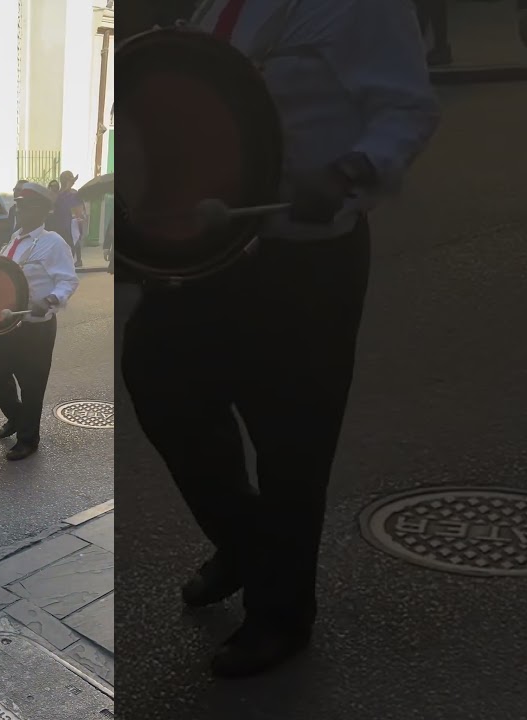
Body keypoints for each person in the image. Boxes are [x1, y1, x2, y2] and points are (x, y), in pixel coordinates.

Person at [121, 0, 439, 678]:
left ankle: (282, 615)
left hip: (306, 262)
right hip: (213, 252)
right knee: (159, 381)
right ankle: (244, 542)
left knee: (292, 444)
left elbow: (408, 108)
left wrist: (351, 169)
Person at [0, 183, 79, 461]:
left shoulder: (53, 242)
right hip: (7, 322)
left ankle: (28, 439)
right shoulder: (14, 239)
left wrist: (49, 300)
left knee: (31, 383)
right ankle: (16, 415)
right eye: (19, 205)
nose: (19, 210)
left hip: (35, 326)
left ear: (42, 211)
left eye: (26, 206)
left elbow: (68, 280)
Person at [50, 170, 86, 268]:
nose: (72, 182)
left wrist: (80, 223)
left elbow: (80, 210)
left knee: (72, 248)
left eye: (72, 180)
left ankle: (73, 264)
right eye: (69, 179)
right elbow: (53, 206)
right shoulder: (57, 194)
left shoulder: (74, 194)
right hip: (59, 228)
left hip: (71, 227)